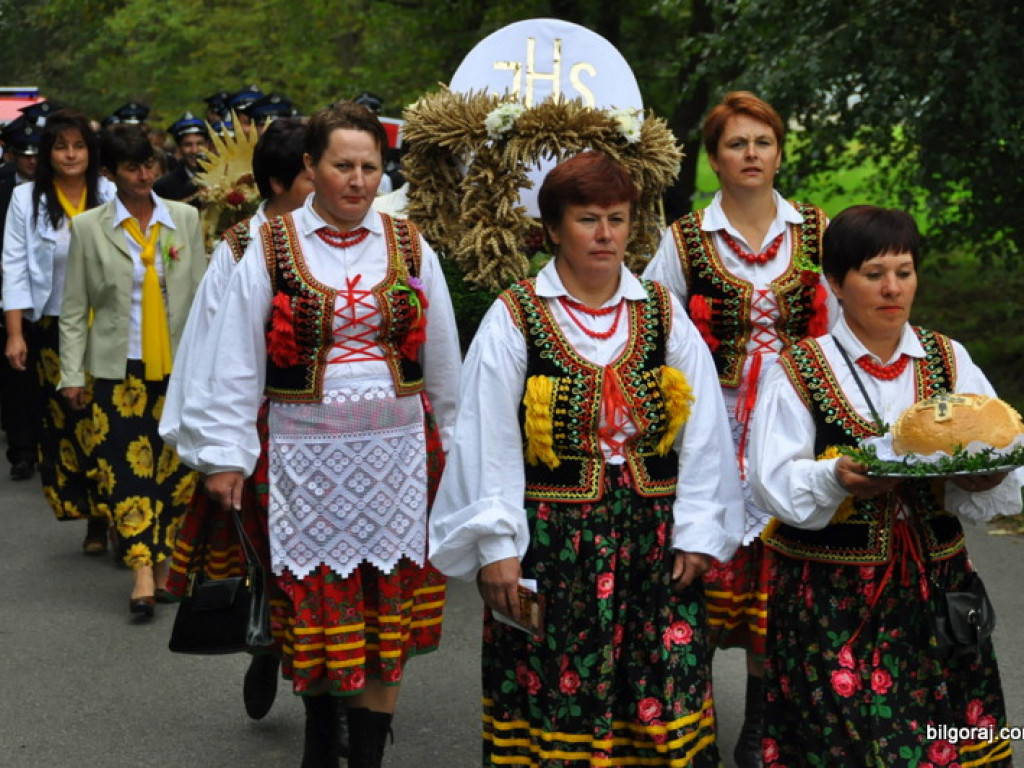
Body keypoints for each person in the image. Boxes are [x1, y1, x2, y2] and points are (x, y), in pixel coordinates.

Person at [429, 151, 744, 767]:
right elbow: (486, 438)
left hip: (652, 540)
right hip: (554, 541)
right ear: (552, 228)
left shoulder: (659, 311)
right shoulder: (518, 315)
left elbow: (704, 430)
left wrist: (700, 530)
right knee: (557, 687)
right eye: (588, 219)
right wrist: (498, 547)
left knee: (661, 685)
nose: (605, 234)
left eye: (618, 219)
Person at [171, 101, 461, 768]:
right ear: (311, 167)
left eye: (371, 167)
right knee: (319, 607)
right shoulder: (269, 247)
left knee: (385, 605)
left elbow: (444, 362)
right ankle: (321, 726)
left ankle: (364, 756)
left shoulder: (411, 244)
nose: (359, 180)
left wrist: (460, 455)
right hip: (304, 461)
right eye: (343, 166)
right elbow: (236, 363)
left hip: (399, 461)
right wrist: (224, 457)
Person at [748, 205, 1018, 767]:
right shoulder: (799, 368)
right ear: (836, 284)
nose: (893, 288)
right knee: (851, 746)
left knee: (947, 740)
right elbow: (770, 482)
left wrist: (988, 475)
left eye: (904, 271)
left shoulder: (948, 358)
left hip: (938, 584)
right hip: (831, 595)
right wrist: (834, 477)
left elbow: (1003, 454)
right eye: (874, 274)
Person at [642, 90, 834, 768]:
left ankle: (761, 725)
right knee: (700, 568)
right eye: (735, 144)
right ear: (714, 161)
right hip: (710, 427)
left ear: (779, 152)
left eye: (762, 142)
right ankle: (695, 715)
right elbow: (651, 328)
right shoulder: (684, 238)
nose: (751, 155)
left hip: (790, 427)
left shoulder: (815, 231)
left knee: (774, 579)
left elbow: (839, 333)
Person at [160, 116, 313, 723]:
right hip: (263, 435)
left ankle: (331, 697)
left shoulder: (363, 243)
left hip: (338, 431)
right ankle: (271, 647)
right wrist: (214, 448)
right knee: (275, 561)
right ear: (277, 182)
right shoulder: (242, 248)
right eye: (311, 172)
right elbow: (206, 350)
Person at [58, 123, 206, 617]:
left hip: (180, 366)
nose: (144, 176)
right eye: (131, 168)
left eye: (150, 166)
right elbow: (75, 309)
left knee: (175, 469)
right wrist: (72, 375)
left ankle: (163, 561)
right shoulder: (88, 227)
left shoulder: (184, 219)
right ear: (109, 173)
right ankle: (142, 569)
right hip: (116, 371)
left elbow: (204, 300)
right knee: (125, 469)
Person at [3, 109, 116, 551]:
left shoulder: (110, 193)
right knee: (70, 421)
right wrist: (15, 333)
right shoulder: (26, 199)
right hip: (52, 329)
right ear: (48, 154)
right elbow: (12, 267)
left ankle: (117, 513)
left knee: (110, 420)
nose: (70, 155)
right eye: (61, 147)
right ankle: (92, 514)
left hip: (107, 325)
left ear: (91, 152)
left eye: (79, 146)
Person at [0, 118, 43, 481]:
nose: (31, 162)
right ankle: (22, 450)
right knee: (17, 378)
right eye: (25, 154)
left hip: (53, 299)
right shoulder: (5, 190)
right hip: (10, 294)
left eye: (37, 154)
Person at [153, 112, 210, 205]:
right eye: (188, 145)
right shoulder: (164, 186)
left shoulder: (222, 176)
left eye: (199, 144)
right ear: (179, 148)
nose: (194, 150)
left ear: (207, 145)